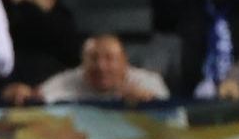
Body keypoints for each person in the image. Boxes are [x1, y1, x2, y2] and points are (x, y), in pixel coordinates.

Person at [36, 35, 170, 105]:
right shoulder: (68, 79)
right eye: (93, 59)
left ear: (124, 62)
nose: (101, 66)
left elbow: (172, 119)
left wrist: (149, 103)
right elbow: (38, 98)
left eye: (109, 58)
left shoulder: (147, 81)